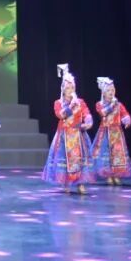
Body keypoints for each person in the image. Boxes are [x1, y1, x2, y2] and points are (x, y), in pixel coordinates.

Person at [41, 63, 96, 195]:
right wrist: (70, 107)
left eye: (72, 87)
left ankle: (80, 183)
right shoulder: (58, 103)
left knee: (79, 159)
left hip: (78, 135)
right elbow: (60, 115)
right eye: (67, 87)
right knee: (65, 159)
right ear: (63, 89)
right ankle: (66, 182)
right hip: (64, 136)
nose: (70, 89)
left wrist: (88, 122)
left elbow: (87, 113)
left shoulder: (80, 102)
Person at [92, 76, 131, 186]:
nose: (111, 92)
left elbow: (125, 114)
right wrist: (111, 105)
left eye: (112, 90)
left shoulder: (119, 105)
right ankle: (109, 176)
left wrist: (127, 120)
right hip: (105, 133)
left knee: (117, 154)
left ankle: (116, 175)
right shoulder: (99, 104)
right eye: (108, 90)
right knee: (106, 154)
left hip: (117, 133)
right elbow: (103, 113)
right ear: (103, 93)